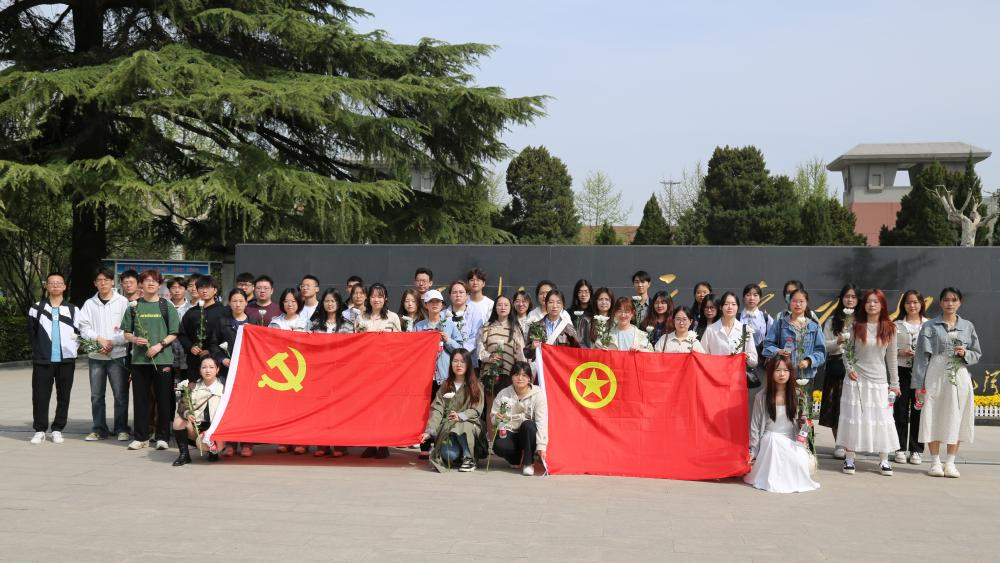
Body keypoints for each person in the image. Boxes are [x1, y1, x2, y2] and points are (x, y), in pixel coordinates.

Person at [913, 287, 981, 479]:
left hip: (959, 374)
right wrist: (919, 384)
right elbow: (921, 357)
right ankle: (935, 462)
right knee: (932, 414)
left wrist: (965, 353)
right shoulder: (930, 326)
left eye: (954, 300)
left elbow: (976, 353)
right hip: (935, 372)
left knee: (955, 415)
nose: (950, 303)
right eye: (946, 300)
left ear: (959, 302)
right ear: (941, 302)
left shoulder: (967, 326)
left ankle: (950, 462)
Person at [837, 289, 900, 476]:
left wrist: (895, 384)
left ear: (882, 305)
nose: (871, 305)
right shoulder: (855, 326)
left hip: (879, 381)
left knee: (881, 419)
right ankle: (849, 458)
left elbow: (892, 358)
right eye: (868, 302)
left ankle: (884, 460)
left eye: (876, 302)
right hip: (856, 380)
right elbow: (846, 352)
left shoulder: (890, 328)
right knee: (854, 417)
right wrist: (850, 369)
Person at [121, 270, 180, 451]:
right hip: (139, 361)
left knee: (163, 399)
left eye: (155, 281)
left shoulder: (166, 306)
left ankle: (162, 437)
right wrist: (134, 339)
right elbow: (126, 332)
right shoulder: (134, 306)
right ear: (141, 284)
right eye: (147, 280)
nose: (151, 283)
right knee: (141, 400)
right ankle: (141, 437)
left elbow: (174, 333)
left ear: (160, 285)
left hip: (162, 359)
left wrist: (159, 345)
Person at [745, 357, 820, 493]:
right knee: (774, 440)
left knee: (797, 461)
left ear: (791, 373)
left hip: (791, 439)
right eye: (777, 370)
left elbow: (805, 422)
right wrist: (753, 451)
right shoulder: (761, 396)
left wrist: (803, 423)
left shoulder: (798, 395)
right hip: (769, 438)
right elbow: (755, 426)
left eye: (786, 370)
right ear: (771, 373)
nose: (782, 374)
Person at [27, 272, 81, 445]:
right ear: (46, 286)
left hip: (66, 360)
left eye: (59, 283)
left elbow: (79, 334)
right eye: (52, 283)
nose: (55, 285)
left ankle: (57, 429)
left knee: (63, 396)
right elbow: (32, 333)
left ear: (64, 286)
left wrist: (72, 350)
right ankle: (40, 430)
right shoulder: (36, 308)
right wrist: (39, 351)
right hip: (43, 360)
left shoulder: (73, 309)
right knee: (40, 396)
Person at [78, 267, 131, 442]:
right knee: (96, 396)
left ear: (112, 281)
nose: (103, 283)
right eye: (99, 280)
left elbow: (128, 328)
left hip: (117, 355)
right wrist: (99, 340)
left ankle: (121, 428)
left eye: (106, 280)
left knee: (120, 395)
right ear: (95, 283)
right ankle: (99, 429)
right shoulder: (89, 304)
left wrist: (112, 342)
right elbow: (84, 327)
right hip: (96, 356)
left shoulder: (122, 302)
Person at [414, 289, 464, 459]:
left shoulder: (450, 325)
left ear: (442, 305)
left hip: (444, 375)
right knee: (424, 410)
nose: (435, 304)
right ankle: (425, 444)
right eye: (431, 302)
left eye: (438, 302)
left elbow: (460, 349)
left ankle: (441, 444)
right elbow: (414, 350)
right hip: (424, 376)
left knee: (443, 409)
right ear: (426, 305)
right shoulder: (419, 326)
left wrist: (447, 340)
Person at [420, 349, 485, 472]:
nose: (458, 365)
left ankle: (469, 457)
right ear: (450, 364)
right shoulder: (446, 385)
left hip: (469, 427)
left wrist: (460, 416)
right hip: (449, 428)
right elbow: (437, 409)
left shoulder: (476, 385)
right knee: (449, 455)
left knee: (463, 424)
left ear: (468, 364)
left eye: (462, 361)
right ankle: (460, 454)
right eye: (455, 361)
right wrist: (430, 431)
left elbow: (476, 410)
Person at [819, 284, 859, 460]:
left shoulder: (862, 321)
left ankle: (852, 443)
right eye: (847, 296)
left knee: (853, 407)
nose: (850, 300)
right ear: (841, 299)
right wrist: (838, 341)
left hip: (857, 368)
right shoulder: (832, 320)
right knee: (837, 406)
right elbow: (824, 345)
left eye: (853, 297)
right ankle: (839, 444)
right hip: (836, 366)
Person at [309, 289, 350, 458]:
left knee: (340, 409)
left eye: (333, 301)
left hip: (341, 373)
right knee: (321, 408)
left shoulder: (348, 325)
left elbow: (353, 348)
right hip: (320, 372)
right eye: (327, 301)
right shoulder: (314, 324)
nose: (330, 304)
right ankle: (322, 443)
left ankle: (340, 444)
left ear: (339, 303)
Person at [269, 288, 310, 455]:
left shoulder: (307, 322)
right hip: (281, 370)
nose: (290, 304)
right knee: (283, 407)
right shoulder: (274, 322)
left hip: (301, 369)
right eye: (286, 301)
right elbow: (268, 344)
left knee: (301, 407)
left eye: (293, 301)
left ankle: (301, 440)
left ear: (299, 302)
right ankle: (284, 440)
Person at [491, 362, 548, 476]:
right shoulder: (503, 393)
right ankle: (515, 459)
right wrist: (497, 418)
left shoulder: (538, 394)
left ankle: (528, 463)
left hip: (528, 433)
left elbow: (542, 421)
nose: (520, 378)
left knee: (529, 425)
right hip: (510, 430)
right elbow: (493, 418)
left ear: (529, 378)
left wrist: (542, 445)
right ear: (511, 376)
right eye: (516, 374)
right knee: (499, 446)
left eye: (524, 375)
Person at [478, 295, 527, 422]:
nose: (503, 307)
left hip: (508, 373)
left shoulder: (515, 328)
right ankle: (490, 435)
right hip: (490, 373)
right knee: (491, 409)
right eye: (499, 305)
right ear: (495, 308)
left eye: (506, 305)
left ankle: (504, 434)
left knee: (506, 408)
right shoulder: (487, 327)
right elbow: (480, 349)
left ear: (511, 308)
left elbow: (520, 353)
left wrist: (522, 372)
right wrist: (489, 357)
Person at [893, 290, 928, 466]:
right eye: (908, 302)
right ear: (903, 305)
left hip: (922, 373)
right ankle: (899, 448)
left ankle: (916, 449)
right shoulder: (896, 325)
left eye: (915, 302)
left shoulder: (929, 325)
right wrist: (900, 352)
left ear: (921, 304)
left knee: (918, 410)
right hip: (901, 371)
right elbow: (887, 349)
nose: (912, 305)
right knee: (900, 410)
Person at [171, 356, 225, 466]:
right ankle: (184, 455)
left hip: (216, 429)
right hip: (197, 427)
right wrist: (187, 414)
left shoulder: (225, 387)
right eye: (204, 367)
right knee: (178, 421)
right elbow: (183, 405)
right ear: (200, 370)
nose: (208, 370)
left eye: (211, 367)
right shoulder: (192, 386)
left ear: (217, 369)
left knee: (204, 443)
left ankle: (213, 451)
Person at [762, 288, 826, 382]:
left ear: (806, 303)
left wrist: (808, 361)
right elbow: (767, 345)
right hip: (784, 376)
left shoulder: (814, 326)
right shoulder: (781, 323)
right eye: (795, 301)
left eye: (801, 301)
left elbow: (821, 352)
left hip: (805, 376)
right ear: (789, 302)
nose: (798, 304)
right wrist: (779, 351)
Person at [179, 275, 226, 382]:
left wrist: (211, 350)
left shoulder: (224, 311)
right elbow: (182, 333)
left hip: (217, 360)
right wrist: (191, 347)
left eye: (208, 287)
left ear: (215, 290)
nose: (204, 291)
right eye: (201, 288)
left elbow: (226, 336)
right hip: (194, 360)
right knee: (194, 389)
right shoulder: (191, 312)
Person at [700, 292, 758, 369]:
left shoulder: (745, 330)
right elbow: (702, 357)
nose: (730, 307)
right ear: (721, 307)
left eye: (733, 304)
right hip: (716, 374)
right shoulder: (710, 330)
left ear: (738, 307)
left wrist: (747, 357)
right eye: (726, 304)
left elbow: (754, 361)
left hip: (737, 374)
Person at [525, 289, 580, 361]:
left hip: (560, 366)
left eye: (558, 303)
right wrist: (532, 347)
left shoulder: (568, 328)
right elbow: (527, 354)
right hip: (542, 366)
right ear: (546, 304)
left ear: (563, 305)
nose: (554, 306)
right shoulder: (536, 326)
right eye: (551, 302)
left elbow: (578, 351)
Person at [445, 280, 485, 370]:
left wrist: (461, 354)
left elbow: (475, 338)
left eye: (461, 292)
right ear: (450, 296)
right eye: (454, 292)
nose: (458, 295)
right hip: (447, 363)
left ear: (467, 295)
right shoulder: (443, 315)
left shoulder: (475, 314)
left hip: (469, 362)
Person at [739, 283, 773, 385]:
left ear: (760, 298)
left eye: (755, 295)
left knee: (759, 389)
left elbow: (773, 339)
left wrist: (769, 355)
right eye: (748, 295)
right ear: (743, 297)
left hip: (761, 361)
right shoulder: (736, 317)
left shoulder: (766, 318)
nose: (751, 298)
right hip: (740, 361)